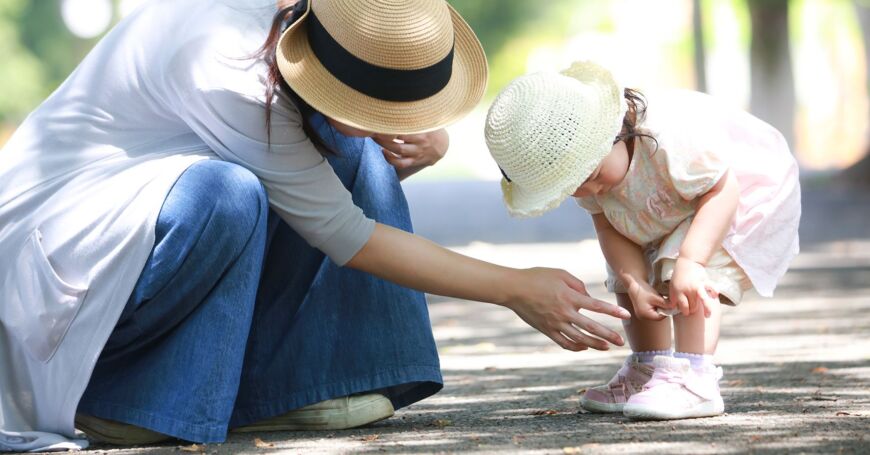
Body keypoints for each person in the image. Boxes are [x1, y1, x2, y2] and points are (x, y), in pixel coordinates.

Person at [0, 1, 633, 452]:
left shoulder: (312, 27)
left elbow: (326, 196)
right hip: (66, 244)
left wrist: (419, 133)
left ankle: (310, 379)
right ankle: (120, 393)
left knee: (342, 149)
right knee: (230, 191)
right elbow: (344, 234)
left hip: (150, 212)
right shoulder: (229, 65)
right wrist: (514, 286)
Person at [484, 61, 800, 420]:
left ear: (616, 133)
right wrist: (634, 283)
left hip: (735, 195)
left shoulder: (670, 140)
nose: (588, 190)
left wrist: (692, 262)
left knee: (681, 272)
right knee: (627, 274)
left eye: (592, 174)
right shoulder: (588, 178)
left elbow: (721, 189)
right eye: (570, 188)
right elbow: (609, 228)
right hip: (670, 207)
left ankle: (695, 377)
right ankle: (650, 368)